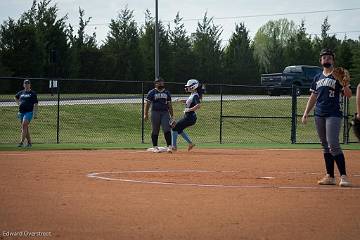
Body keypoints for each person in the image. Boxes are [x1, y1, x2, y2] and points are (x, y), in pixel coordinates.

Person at [302, 48, 352, 187]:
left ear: (333, 60)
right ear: (320, 61)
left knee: (333, 144)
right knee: (325, 146)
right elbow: (313, 96)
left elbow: (348, 95)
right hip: (319, 114)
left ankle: (344, 176)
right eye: (324, 57)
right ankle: (330, 176)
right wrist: (306, 112)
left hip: (333, 114)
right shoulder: (318, 77)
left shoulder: (337, 76)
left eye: (329, 57)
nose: (326, 59)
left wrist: (345, 84)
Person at [170, 79, 202, 152]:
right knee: (179, 129)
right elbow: (190, 102)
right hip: (189, 117)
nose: (187, 88)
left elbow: (198, 105)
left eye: (188, 86)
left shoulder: (195, 96)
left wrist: (189, 109)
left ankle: (174, 147)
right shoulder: (192, 95)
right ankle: (190, 143)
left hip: (190, 117)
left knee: (174, 128)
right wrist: (181, 100)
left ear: (193, 87)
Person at [144, 77, 173, 153]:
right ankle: (155, 147)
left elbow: (170, 105)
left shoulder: (167, 93)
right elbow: (147, 104)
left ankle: (169, 146)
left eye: (162, 82)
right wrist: (145, 114)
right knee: (155, 130)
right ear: (155, 84)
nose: (160, 83)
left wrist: (172, 116)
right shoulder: (152, 92)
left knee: (167, 128)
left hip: (165, 112)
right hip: (155, 112)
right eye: (158, 82)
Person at [15, 79, 38, 147]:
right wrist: (18, 103)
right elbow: (16, 97)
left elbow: (36, 103)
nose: (26, 85)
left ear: (30, 85)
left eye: (28, 84)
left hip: (29, 112)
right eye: (25, 83)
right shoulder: (21, 93)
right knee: (25, 127)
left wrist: (35, 113)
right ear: (23, 85)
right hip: (21, 112)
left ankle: (21, 142)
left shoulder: (33, 93)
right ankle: (29, 143)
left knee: (24, 125)